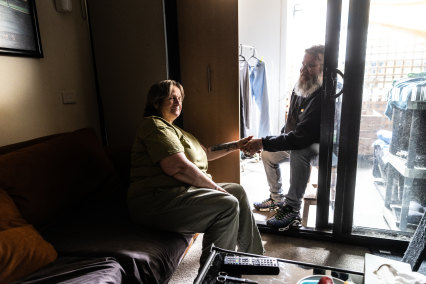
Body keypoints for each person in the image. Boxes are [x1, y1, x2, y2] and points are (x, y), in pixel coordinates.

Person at [127, 80, 264, 269]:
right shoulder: (154, 125)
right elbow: (177, 167)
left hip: (181, 192)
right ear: (156, 102)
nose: (178, 102)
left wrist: (237, 145)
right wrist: (216, 189)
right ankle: (213, 275)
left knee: (237, 191)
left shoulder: (177, 131)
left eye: (180, 98)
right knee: (228, 203)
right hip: (155, 201)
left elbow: (206, 152)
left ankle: (254, 259)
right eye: (171, 98)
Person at [242, 45, 325, 231]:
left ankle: (292, 208)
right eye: (303, 64)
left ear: (324, 67)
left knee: (299, 153)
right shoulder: (301, 87)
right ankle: (276, 200)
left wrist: (263, 141)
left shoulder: (323, 95)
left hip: (320, 146)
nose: (304, 70)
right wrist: (270, 144)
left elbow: (302, 138)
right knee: (268, 155)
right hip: (299, 140)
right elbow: (290, 126)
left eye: (310, 65)